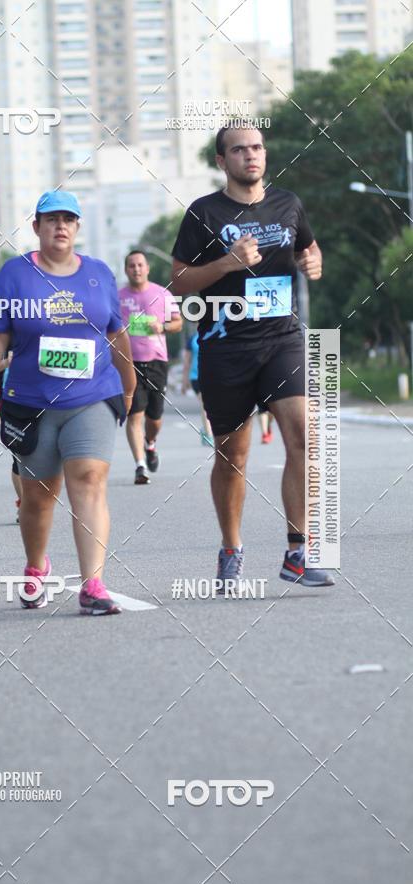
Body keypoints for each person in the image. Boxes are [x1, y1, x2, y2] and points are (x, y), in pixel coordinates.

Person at [171, 124, 335, 589]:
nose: (251, 156)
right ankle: (231, 546)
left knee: (304, 436)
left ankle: (297, 549)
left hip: (282, 339)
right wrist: (226, 263)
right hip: (226, 347)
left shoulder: (289, 204)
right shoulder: (204, 213)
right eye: (239, 150)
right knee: (232, 457)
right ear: (222, 161)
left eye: (257, 147)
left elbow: (308, 246)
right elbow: (178, 282)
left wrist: (313, 261)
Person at [0, 189, 136, 615]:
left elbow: (115, 331)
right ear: (37, 227)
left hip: (93, 394)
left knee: (88, 479)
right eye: (51, 219)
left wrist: (128, 379)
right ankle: (36, 565)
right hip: (32, 400)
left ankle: (93, 584)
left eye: (68, 219)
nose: (60, 226)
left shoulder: (99, 273)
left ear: (78, 228)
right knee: (38, 496)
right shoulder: (15, 274)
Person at [119, 249, 182, 484]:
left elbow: (178, 322)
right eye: (131, 265)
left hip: (156, 361)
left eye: (140, 265)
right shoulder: (118, 297)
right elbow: (109, 328)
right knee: (135, 415)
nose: (136, 269)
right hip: (129, 363)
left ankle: (151, 443)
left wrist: (163, 326)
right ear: (126, 270)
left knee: (154, 418)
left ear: (147, 268)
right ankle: (140, 465)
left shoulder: (162, 294)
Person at [181, 330, 213, 446]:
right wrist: (184, 382)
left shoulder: (215, 334)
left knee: (211, 405)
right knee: (205, 404)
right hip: (195, 377)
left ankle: (205, 430)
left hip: (212, 376)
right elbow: (187, 362)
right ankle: (209, 435)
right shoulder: (192, 339)